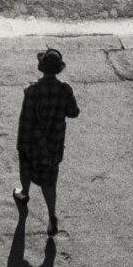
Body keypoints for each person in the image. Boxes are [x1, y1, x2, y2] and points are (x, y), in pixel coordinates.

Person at [13, 48, 80, 238]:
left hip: (34, 143)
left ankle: (24, 194)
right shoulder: (65, 89)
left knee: (25, 167)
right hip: (54, 146)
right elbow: (73, 112)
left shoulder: (32, 91)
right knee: (49, 182)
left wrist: (22, 146)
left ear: (41, 67)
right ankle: (51, 216)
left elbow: (25, 120)